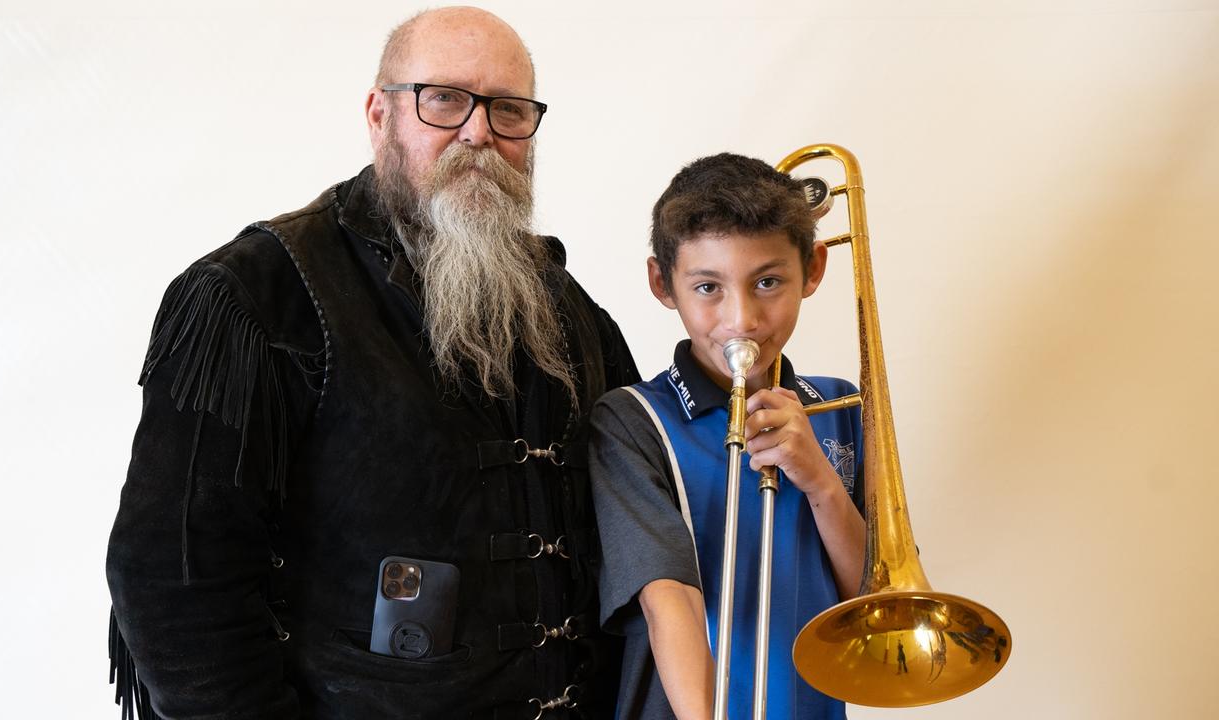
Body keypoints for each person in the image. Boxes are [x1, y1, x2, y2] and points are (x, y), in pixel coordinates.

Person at [105, 7, 639, 718]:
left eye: (509, 110)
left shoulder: (568, 309)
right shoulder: (257, 296)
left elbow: (645, 508)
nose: (478, 131)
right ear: (378, 113)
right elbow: (175, 581)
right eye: (443, 99)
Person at [588, 153, 866, 719]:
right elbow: (671, 601)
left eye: (768, 281)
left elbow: (872, 604)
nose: (741, 319)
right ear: (662, 284)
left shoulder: (840, 407)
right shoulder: (632, 420)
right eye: (708, 287)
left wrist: (820, 481)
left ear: (813, 269)